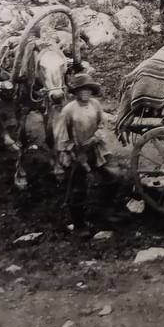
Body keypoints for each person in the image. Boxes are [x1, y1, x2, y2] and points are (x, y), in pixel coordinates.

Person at [56, 71, 117, 229]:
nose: (85, 92)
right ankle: (79, 225)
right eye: (81, 90)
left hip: (95, 149)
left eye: (88, 89)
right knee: (78, 188)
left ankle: (107, 212)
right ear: (75, 92)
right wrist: (73, 151)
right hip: (77, 152)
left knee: (111, 178)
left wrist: (95, 137)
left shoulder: (95, 105)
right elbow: (62, 136)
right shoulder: (69, 110)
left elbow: (102, 124)